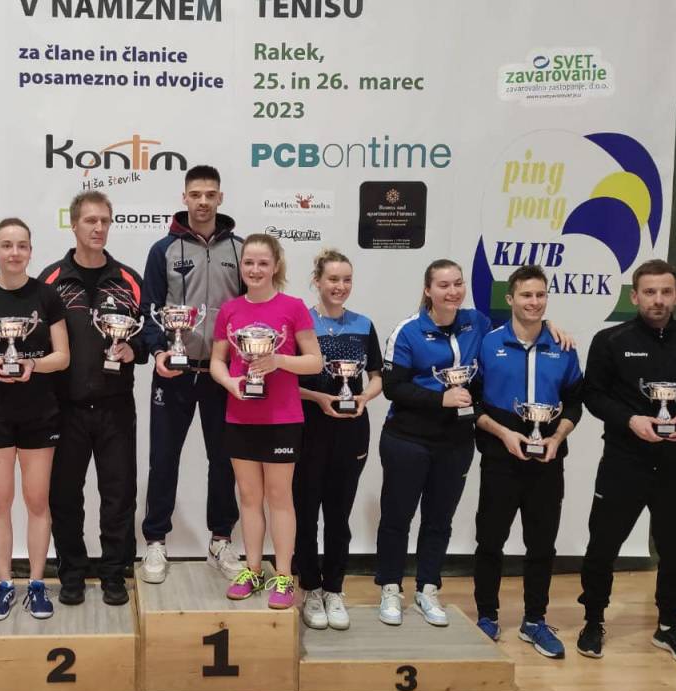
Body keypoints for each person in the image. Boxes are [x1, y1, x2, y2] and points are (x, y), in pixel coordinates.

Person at [576, 259, 676, 665]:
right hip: (624, 462)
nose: (657, 300)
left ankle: (669, 627)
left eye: (665, 292)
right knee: (602, 546)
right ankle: (593, 621)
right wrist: (630, 420)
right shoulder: (610, 340)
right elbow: (593, 395)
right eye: (649, 292)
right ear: (635, 296)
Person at [0, 218, 69, 621]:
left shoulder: (47, 296)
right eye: (7, 245)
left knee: (37, 501)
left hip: (40, 412)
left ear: (30, 251)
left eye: (22, 245)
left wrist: (31, 366)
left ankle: (37, 583)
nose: (15, 252)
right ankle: (4, 584)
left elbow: (62, 357)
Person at [138, 164, 246, 583]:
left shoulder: (239, 249)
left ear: (221, 198)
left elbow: (250, 310)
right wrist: (158, 351)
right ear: (184, 198)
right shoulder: (162, 249)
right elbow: (149, 309)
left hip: (222, 375)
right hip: (174, 373)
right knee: (164, 458)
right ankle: (155, 541)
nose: (203, 202)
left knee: (224, 460)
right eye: (196, 194)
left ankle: (221, 539)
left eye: (210, 194)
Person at [37, 191, 145, 607]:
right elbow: (35, 339)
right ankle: (72, 573)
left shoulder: (128, 279)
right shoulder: (50, 280)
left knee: (119, 495)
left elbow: (152, 332)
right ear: (74, 225)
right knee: (65, 496)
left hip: (116, 407)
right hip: (64, 408)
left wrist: (135, 349)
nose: (98, 228)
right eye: (90, 221)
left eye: (104, 221)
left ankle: (115, 573)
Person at [471, 265, 583, 659]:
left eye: (540, 295)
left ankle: (535, 620)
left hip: (547, 458)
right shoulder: (488, 344)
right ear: (510, 299)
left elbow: (575, 403)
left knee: (542, 543)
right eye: (526, 295)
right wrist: (503, 433)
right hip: (500, 456)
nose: (533, 302)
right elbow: (472, 403)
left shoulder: (563, 346)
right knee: (490, 540)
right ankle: (487, 616)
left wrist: (556, 437)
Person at [376, 258, 490, 628]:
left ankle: (428, 588)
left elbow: (517, 330)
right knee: (397, 517)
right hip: (407, 440)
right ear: (428, 290)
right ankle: (390, 587)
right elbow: (393, 388)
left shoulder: (477, 322)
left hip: (456, 442)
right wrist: (440, 399)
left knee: (440, 520)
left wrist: (550, 326)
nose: (453, 291)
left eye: (458, 283)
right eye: (443, 285)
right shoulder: (408, 331)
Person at [210, 234, 322, 609]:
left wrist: (279, 361)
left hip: (282, 418)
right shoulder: (230, 310)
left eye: (262, 263)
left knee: (279, 498)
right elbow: (217, 361)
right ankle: (253, 569)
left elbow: (315, 362)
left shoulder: (293, 307)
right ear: (241, 267)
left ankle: (284, 576)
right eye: (248, 263)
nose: (255, 270)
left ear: (275, 266)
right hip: (240, 415)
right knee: (248, 497)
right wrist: (229, 383)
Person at [293, 250, 383, 630]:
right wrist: (319, 398)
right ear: (317, 281)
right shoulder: (300, 323)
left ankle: (334, 588)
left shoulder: (364, 324)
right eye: (333, 279)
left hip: (351, 429)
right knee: (305, 514)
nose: (340, 286)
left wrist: (362, 398)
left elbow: (377, 376)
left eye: (346, 280)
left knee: (338, 516)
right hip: (308, 427)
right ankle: (310, 588)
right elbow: (285, 381)